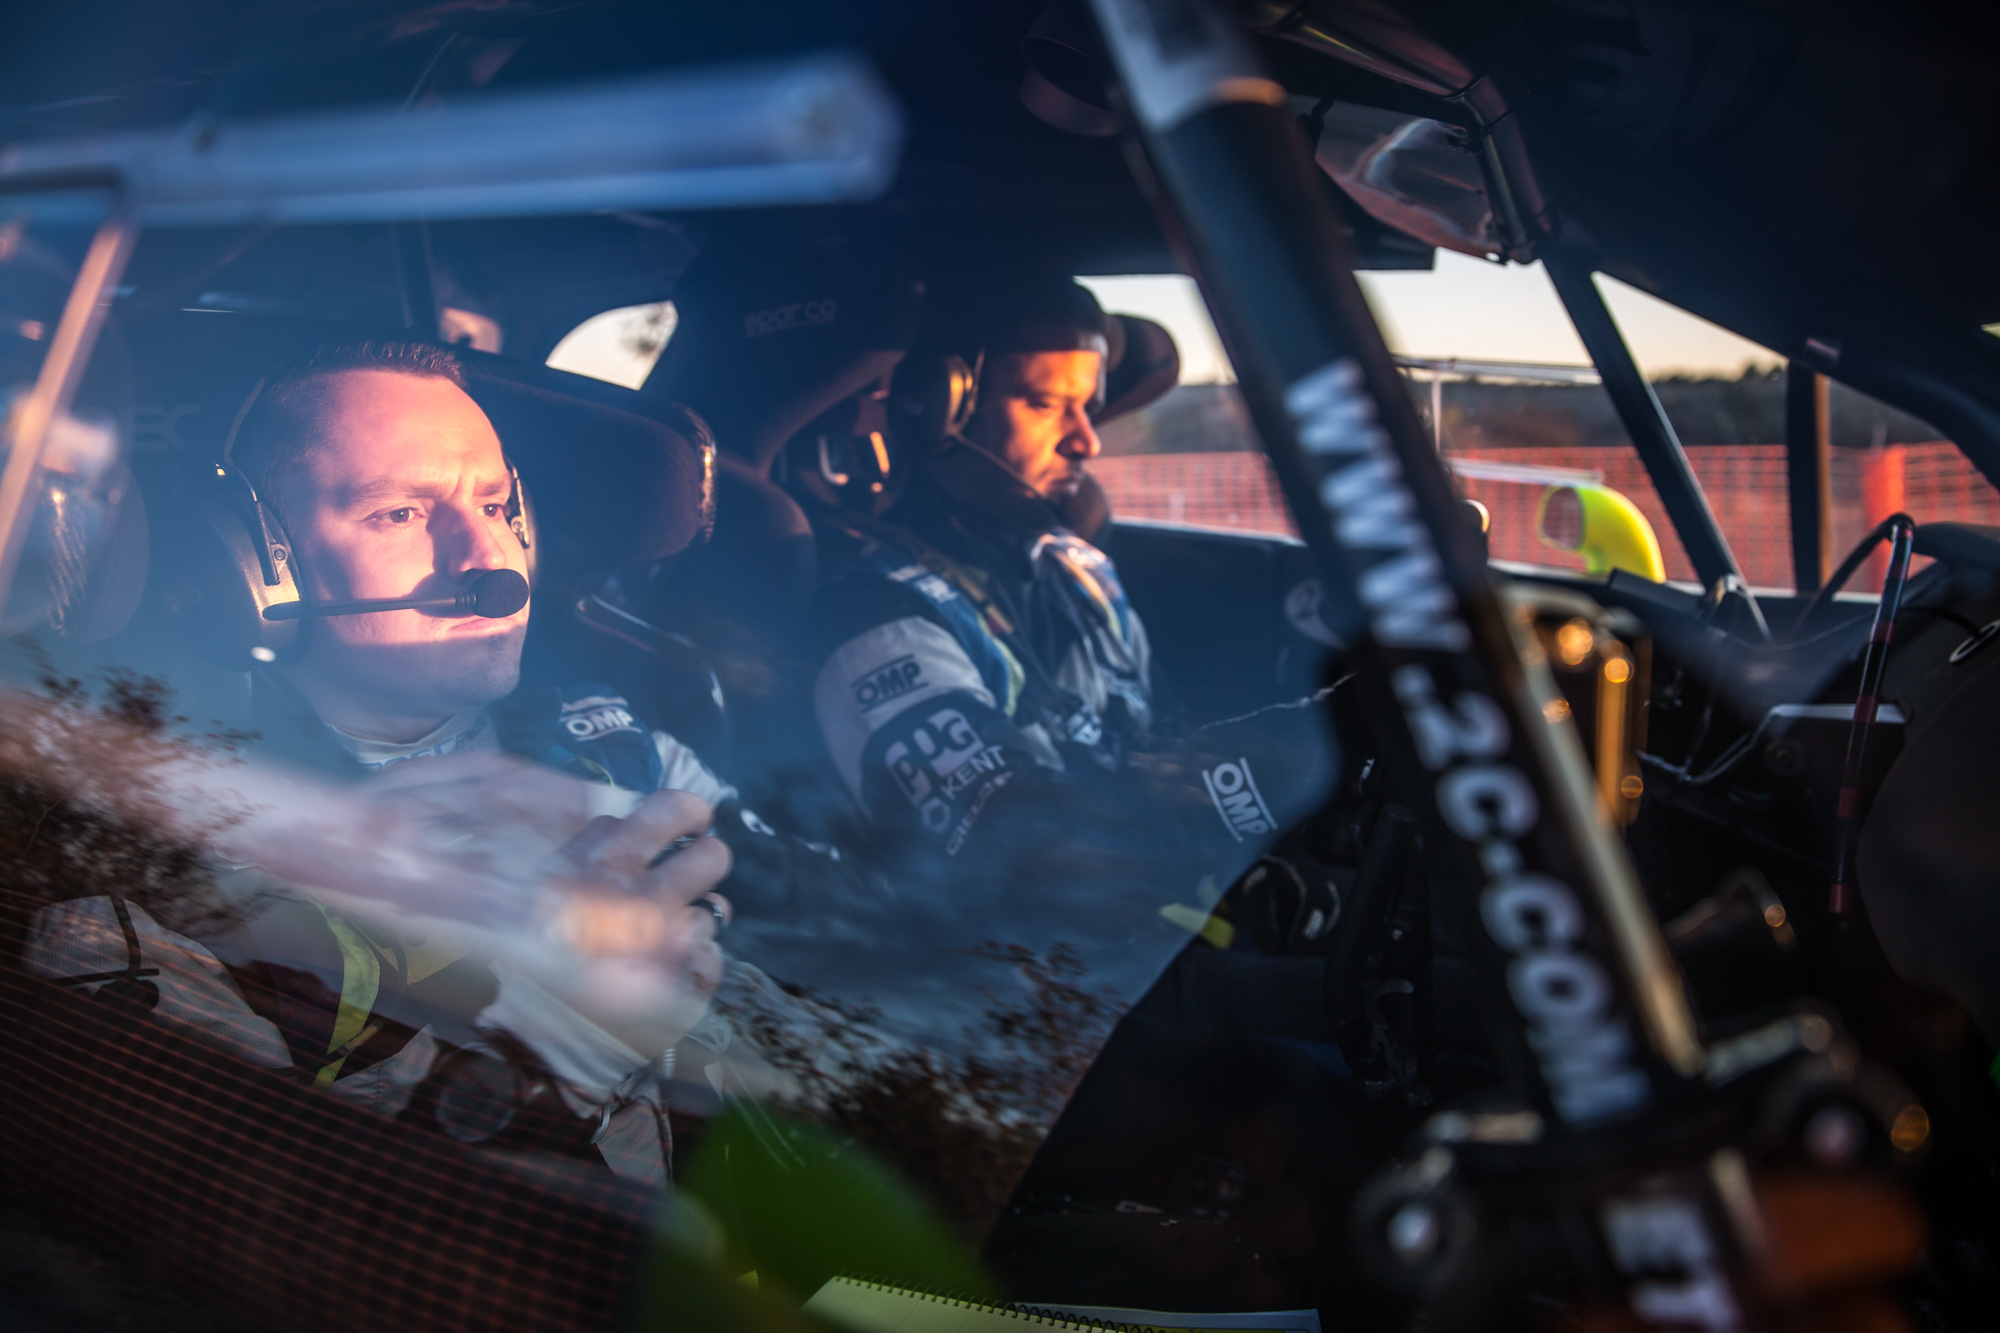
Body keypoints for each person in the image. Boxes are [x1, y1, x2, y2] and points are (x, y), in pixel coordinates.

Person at [23, 341, 739, 1186]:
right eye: (399, 513)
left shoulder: (621, 751)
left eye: (495, 502)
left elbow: (833, 975)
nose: (485, 554)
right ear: (256, 568)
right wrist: (556, 1041)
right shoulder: (158, 884)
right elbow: (279, 1227)